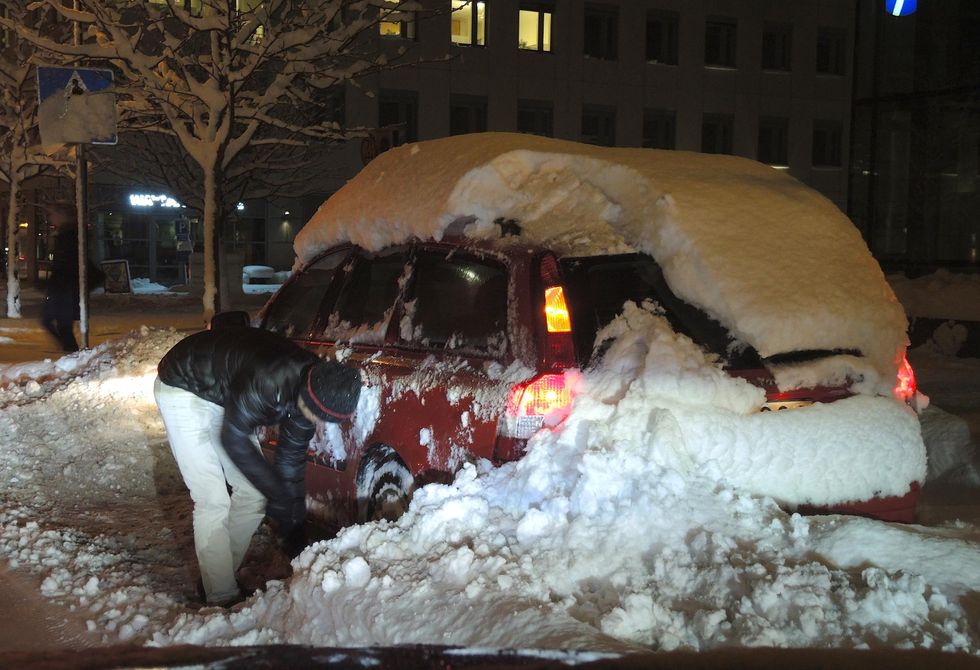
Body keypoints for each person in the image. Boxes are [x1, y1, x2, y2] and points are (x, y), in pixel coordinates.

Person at [154, 325, 362, 607]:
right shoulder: (270, 379)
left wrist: (295, 527)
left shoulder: (314, 390)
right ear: (308, 392)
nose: (313, 418)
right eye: (314, 412)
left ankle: (219, 575)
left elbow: (291, 459)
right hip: (183, 387)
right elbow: (234, 439)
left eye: (321, 417)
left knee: (254, 494)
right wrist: (277, 493)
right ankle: (221, 594)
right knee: (212, 499)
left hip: (224, 392)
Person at [40, 202, 82, 352]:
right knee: (55, 322)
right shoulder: (66, 234)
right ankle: (70, 351)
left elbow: (66, 265)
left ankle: (72, 352)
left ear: (62, 216)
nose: (50, 218)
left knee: (61, 323)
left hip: (64, 287)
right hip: (62, 287)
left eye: (52, 214)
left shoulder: (68, 236)